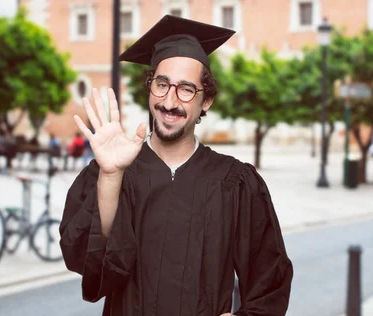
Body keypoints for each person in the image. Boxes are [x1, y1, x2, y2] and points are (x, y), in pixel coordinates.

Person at [59, 15, 293, 316]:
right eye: (162, 84)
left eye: (186, 89)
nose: (170, 101)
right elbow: (84, 260)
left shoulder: (234, 182)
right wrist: (110, 176)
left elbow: (270, 276)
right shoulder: (113, 172)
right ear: (149, 88)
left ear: (205, 100)